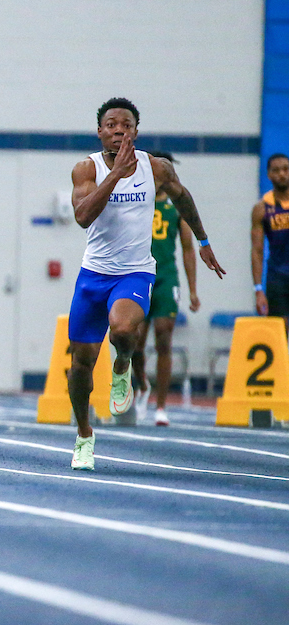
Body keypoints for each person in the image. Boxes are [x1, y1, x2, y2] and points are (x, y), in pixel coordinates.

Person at [68, 98, 224, 470]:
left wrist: (202, 241)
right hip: (93, 275)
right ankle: (85, 435)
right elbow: (82, 217)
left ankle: (123, 364)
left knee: (123, 329)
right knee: (81, 365)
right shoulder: (85, 168)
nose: (118, 130)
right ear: (100, 131)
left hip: (136, 271)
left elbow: (184, 199)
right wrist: (115, 175)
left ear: (136, 132)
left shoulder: (156, 168)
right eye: (111, 124)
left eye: (126, 124)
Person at [131, 150, 199, 427]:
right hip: (136, 275)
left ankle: (160, 405)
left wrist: (193, 290)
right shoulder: (135, 202)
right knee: (134, 340)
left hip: (166, 277)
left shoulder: (175, 208)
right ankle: (141, 384)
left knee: (163, 338)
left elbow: (187, 249)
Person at [251, 153, 289, 327]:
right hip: (278, 276)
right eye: (276, 170)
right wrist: (258, 290)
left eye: (286, 169)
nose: (281, 174)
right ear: (269, 174)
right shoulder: (261, 209)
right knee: (280, 330)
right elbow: (257, 251)